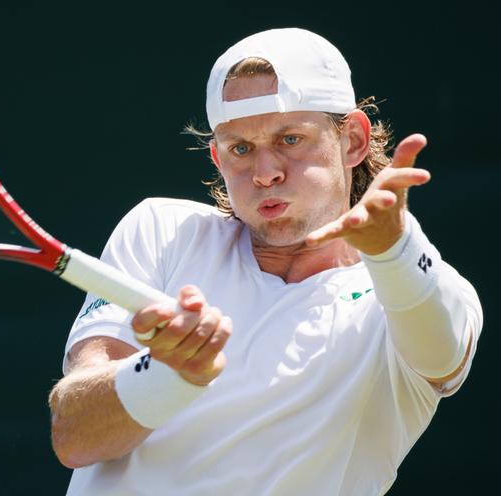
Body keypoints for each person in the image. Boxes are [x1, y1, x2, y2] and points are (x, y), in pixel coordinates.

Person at [47, 28, 483, 495]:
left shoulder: (414, 293)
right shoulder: (162, 229)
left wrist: (394, 247)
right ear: (217, 158)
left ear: (353, 140)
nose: (265, 172)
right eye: (240, 148)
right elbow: (74, 436)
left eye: (290, 139)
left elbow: (441, 354)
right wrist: (165, 373)